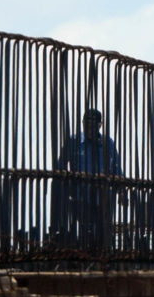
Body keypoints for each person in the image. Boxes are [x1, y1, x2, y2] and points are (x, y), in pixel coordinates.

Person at [51, 108, 125, 252]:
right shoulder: (73, 141)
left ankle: (101, 255)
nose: (89, 127)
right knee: (83, 229)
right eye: (86, 123)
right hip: (79, 196)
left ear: (100, 125)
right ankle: (84, 253)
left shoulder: (107, 144)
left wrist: (121, 191)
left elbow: (117, 168)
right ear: (83, 123)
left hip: (103, 197)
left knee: (102, 232)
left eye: (93, 124)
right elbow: (60, 167)